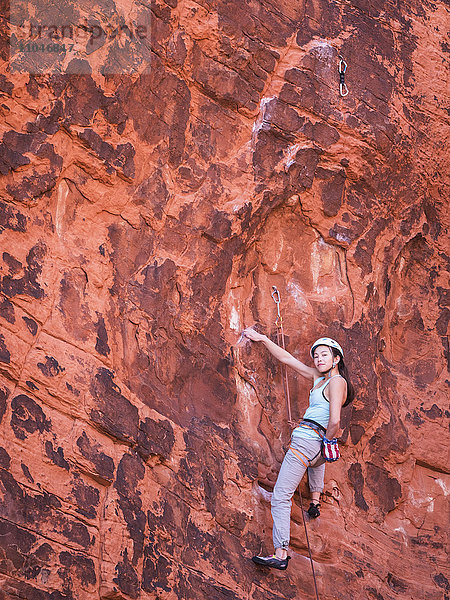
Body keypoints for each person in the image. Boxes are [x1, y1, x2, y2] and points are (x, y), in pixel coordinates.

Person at [242, 329, 354, 571]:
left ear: (336, 359)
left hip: (307, 440)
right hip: (313, 445)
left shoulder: (336, 381)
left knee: (281, 495)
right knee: (319, 454)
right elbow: (287, 360)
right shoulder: (319, 377)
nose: (318, 359)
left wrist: (326, 439)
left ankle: (281, 552)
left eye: (324, 355)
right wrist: (263, 339)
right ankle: (315, 500)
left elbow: (334, 421)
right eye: (316, 356)